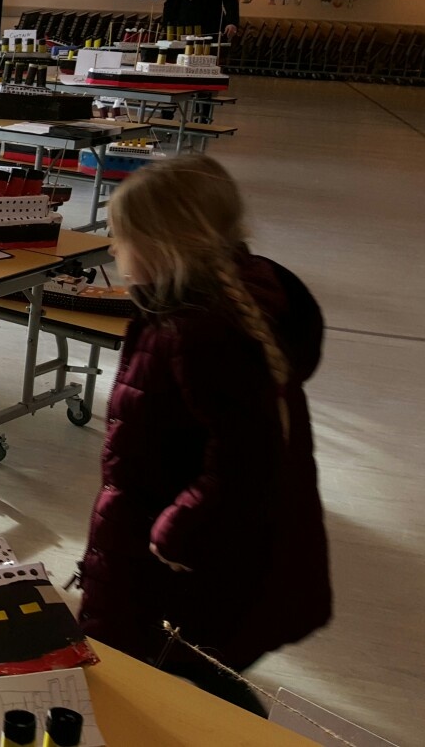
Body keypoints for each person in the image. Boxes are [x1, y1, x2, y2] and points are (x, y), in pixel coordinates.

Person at [75, 155, 331, 716]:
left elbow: (249, 460)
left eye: (121, 237)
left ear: (162, 246)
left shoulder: (200, 335)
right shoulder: (217, 310)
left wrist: (176, 533)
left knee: (146, 671)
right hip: (194, 555)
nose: (113, 250)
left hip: (177, 563)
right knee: (184, 665)